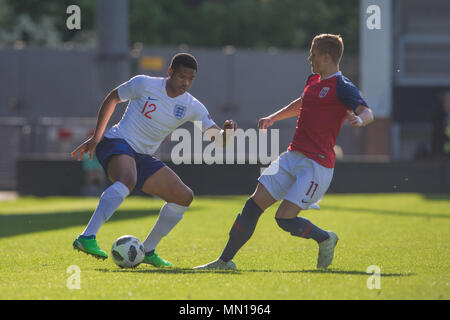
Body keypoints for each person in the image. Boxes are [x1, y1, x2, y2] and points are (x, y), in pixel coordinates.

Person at [194, 34, 374, 270]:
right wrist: (273, 117)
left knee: (284, 219)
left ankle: (325, 238)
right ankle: (224, 261)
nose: (310, 57)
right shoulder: (313, 80)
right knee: (252, 206)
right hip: (291, 156)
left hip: (316, 166)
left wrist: (359, 121)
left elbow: (367, 112)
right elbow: (302, 103)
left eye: (314, 53)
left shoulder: (343, 86)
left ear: (327, 56)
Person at [72, 53, 237, 267]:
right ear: (170, 72)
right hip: (117, 141)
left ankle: (148, 250)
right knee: (128, 179)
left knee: (183, 196)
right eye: (181, 76)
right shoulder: (143, 84)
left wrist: (229, 134)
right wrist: (97, 136)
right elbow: (113, 97)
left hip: (142, 157)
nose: (185, 82)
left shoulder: (192, 106)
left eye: (190, 79)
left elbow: (219, 141)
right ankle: (87, 237)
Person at [431, 90, 450, 157]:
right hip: (443, 145)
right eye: (448, 100)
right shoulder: (438, 115)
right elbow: (442, 131)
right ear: (444, 102)